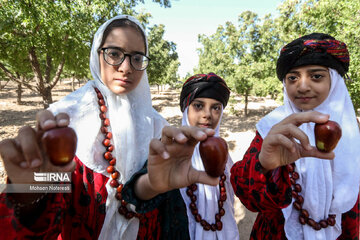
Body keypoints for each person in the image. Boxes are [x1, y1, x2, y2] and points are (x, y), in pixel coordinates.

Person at [0, 15, 217, 239]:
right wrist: (28, 194)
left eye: (137, 58)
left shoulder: (157, 126)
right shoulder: (67, 121)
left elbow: (156, 202)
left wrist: (151, 185)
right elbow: (44, 210)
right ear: (97, 54)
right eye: (114, 54)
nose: (126, 67)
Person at [230, 33, 360, 240]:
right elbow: (248, 198)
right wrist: (264, 164)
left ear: (334, 81)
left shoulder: (354, 132)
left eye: (316, 76)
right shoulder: (274, 128)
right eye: (292, 78)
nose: (302, 86)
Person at [121, 73, 239, 239]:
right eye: (198, 106)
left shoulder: (224, 158)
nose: (207, 114)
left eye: (216, 107)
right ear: (185, 108)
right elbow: (135, 198)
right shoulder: (170, 150)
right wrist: (151, 185)